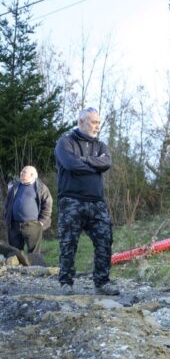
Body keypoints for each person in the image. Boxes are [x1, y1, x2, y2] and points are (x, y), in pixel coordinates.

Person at [55, 107, 118, 296]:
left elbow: (106, 163)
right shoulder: (65, 142)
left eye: (99, 123)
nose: (97, 126)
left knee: (105, 240)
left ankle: (102, 282)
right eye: (93, 122)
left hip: (97, 202)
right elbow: (70, 164)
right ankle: (66, 282)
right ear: (81, 121)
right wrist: (94, 164)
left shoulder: (101, 146)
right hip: (71, 200)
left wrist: (84, 161)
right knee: (68, 242)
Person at [4, 166, 52, 254]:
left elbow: (48, 205)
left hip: (33, 225)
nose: (21, 173)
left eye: (24, 172)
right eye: (21, 171)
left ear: (32, 175)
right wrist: (7, 216)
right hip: (14, 225)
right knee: (14, 252)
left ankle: (34, 268)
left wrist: (41, 222)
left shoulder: (41, 187)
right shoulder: (15, 186)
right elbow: (7, 203)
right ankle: (15, 268)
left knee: (34, 253)